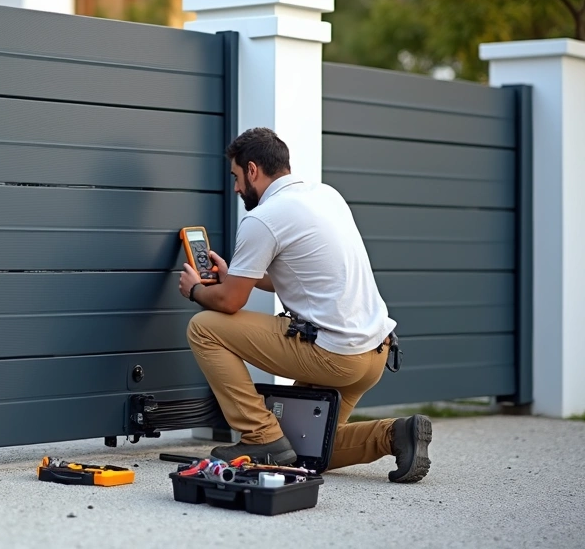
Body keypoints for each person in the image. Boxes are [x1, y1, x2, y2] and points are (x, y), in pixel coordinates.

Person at [178, 127, 431, 483]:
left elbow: (231, 301)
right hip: (374, 353)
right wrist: (234, 274)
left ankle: (258, 435)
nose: (235, 188)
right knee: (301, 449)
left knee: (203, 327)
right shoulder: (326, 195)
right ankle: (395, 434)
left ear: (252, 170)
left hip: (335, 356)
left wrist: (195, 290)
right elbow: (299, 274)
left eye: (236, 177)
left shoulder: (263, 218)